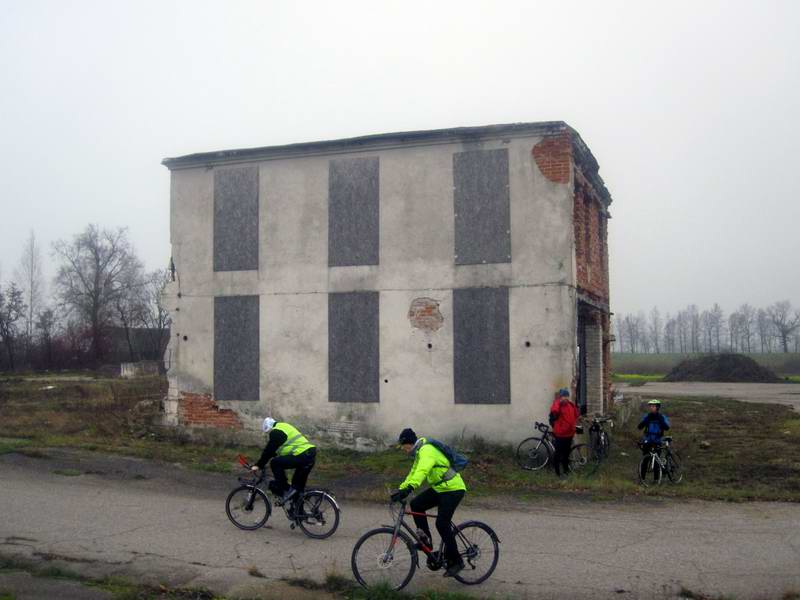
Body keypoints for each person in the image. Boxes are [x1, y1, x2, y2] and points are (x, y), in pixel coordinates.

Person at [390, 428, 467, 578]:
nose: (403, 450)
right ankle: (426, 541)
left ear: (408, 443)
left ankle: (457, 561)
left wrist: (410, 488)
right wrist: (400, 490)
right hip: (440, 488)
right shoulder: (419, 453)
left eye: (403, 446)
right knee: (417, 504)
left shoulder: (427, 450)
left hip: (453, 489)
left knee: (442, 524)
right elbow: (413, 473)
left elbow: (422, 471)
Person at [252, 418, 317, 508]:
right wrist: (273, 455)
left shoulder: (276, 432)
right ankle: (299, 515)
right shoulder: (284, 426)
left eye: (268, 432)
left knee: (275, 463)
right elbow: (283, 448)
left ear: (269, 428)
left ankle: (282, 486)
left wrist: (259, 465)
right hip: (308, 454)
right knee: (296, 488)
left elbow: (269, 450)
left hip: (303, 455)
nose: (269, 435)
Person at [548, 387, 580, 477]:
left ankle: (566, 471)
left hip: (569, 434)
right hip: (560, 434)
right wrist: (558, 402)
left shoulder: (571, 405)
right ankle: (557, 473)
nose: (565, 398)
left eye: (566, 396)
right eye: (563, 396)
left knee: (566, 454)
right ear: (560, 397)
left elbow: (576, 415)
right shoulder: (558, 404)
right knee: (558, 454)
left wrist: (576, 428)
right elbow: (554, 411)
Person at [637, 399, 670, 482]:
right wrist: (646, 420)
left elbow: (666, 427)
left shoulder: (662, 417)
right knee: (645, 460)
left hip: (657, 440)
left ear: (657, 407)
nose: (651, 408)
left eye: (653, 406)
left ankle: (656, 479)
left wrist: (660, 419)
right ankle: (642, 479)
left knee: (656, 462)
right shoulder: (647, 416)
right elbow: (639, 427)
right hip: (648, 440)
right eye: (650, 406)